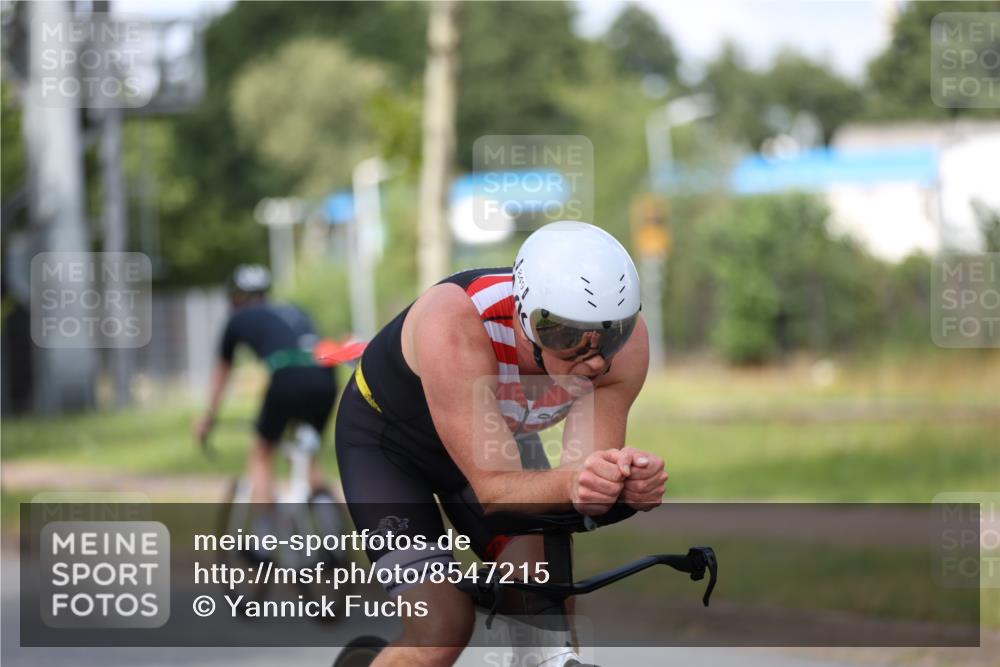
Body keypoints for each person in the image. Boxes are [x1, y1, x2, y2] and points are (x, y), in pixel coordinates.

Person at [335, 221, 668, 667]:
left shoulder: (625, 351)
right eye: (567, 338)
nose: (593, 359)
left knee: (547, 618)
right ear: (527, 319)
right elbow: (492, 488)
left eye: (611, 336)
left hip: (501, 443)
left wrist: (621, 484)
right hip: (391, 449)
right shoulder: (455, 321)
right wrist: (577, 484)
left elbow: (581, 480)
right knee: (442, 629)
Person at [194, 264, 338, 504]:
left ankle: (266, 534)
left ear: (235, 297)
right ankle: (335, 526)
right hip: (325, 378)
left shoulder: (237, 319)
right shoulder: (294, 310)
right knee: (307, 456)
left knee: (261, 454)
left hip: (287, 379)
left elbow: (223, 370)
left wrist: (209, 417)